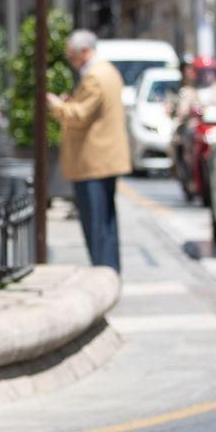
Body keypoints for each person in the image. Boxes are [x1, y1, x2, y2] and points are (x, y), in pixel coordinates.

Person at [47, 29, 130, 273]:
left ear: (84, 51)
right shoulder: (108, 71)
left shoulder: (95, 76)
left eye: (72, 56)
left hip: (94, 160)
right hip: (104, 158)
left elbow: (81, 115)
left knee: (96, 223)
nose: (71, 61)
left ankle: (103, 273)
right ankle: (109, 270)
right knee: (106, 220)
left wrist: (57, 105)